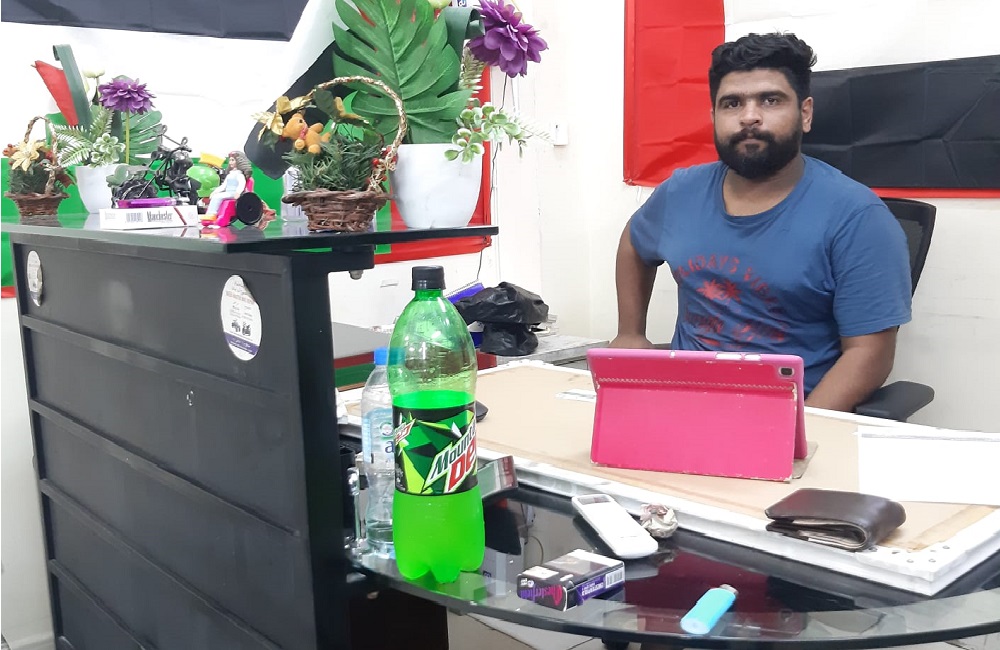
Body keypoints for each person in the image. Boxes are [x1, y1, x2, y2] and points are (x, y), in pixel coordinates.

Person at [612, 33, 912, 413]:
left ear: (805, 113)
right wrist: (630, 332)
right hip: (681, 401)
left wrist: (799, 428)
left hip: (787, 409)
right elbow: (634, 244)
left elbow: (869, 354)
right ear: (713, 117)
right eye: (732, 103)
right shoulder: (680, 192)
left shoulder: (858, 217)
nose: (749, 116)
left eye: (770, 100)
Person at [204, 150, 253, 220]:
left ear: (239, 162)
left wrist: (238, 193)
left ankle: (212, 213)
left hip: (233, 193)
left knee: (218, 197)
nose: (230, 162)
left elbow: (241, 185)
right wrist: (215, 192)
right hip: (228, 192)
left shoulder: (239, 175)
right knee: (216, 196)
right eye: (230, 160)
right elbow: (223, 186)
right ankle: (210, 213)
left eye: (233, 160)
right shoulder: (230, 175)